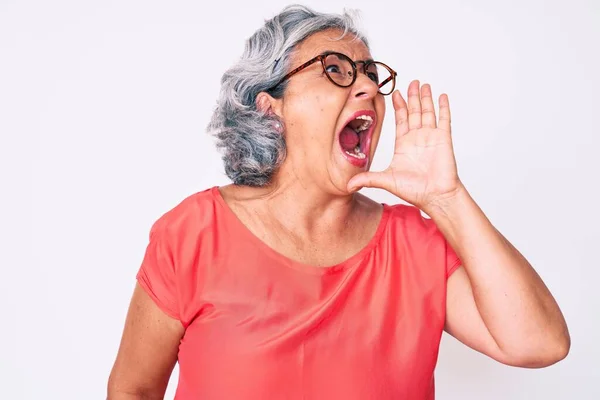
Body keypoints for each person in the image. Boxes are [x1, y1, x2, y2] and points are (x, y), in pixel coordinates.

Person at [107, 5, 570, 399]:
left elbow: (540, 343)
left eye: (370, 73)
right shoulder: (194, 233)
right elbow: (133, 390)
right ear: (272, 109)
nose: (367, 86)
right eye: (335, 70)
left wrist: (446, 198)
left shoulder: (415, 244)